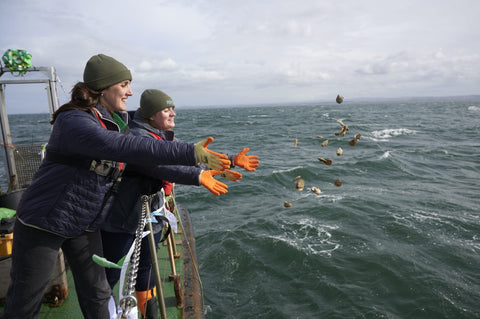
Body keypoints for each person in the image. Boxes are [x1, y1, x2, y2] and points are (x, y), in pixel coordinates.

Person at [0, 54, 236, 319]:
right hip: (44, 221)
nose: (130, 91)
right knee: (25, 300)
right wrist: (191, 153)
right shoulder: (75, 121)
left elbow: (150, 157)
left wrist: (207, 167)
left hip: (83, 221)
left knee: (98, 293)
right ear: (103, 87)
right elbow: (128, 147)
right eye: (124, 84)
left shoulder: (113, 121)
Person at [101, 89, 260, 318]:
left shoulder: (159, 134)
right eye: (166, 110)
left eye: (172, 108)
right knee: (109, 274)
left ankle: (151, 314)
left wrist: (231, 160)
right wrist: (198, 177)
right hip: (123, 220)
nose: (173, 113)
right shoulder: (136, 138)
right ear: (151, 115)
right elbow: (161, 166)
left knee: (147, 270)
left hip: (151, 216)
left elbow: (187, 157)